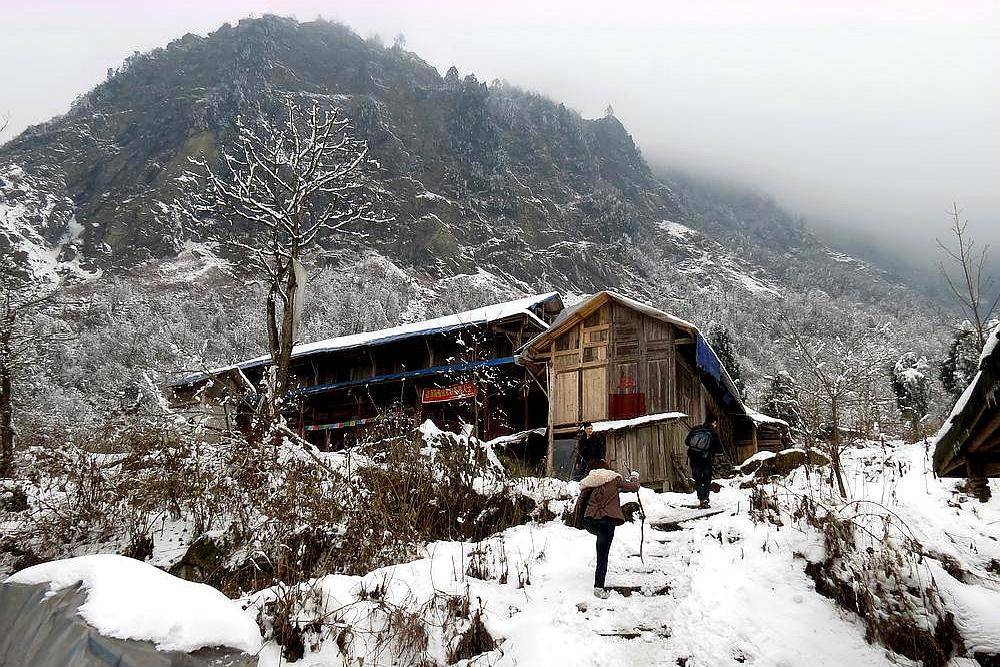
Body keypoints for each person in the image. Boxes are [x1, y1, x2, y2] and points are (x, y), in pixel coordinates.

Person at [573, 459, 640, 599]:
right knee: (602, 555)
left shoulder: (589, 481)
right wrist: (634, 477)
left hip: (590, 522)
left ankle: (599, 582)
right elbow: (633, 487)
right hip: (607, 521)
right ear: (606, 468)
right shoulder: (614, 479)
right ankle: (598, 587)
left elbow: (580, 502)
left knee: (601, 545)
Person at [686, 417, 724, 508]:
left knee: (697, 479)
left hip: (694, 458)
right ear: (713, 422)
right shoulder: (713, 432)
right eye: (715, 424)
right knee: (707, 479)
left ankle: (701, 499)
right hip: (707, 459)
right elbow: (719, 448)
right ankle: (705, 498)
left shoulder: (695, 429)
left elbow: (687, 442)